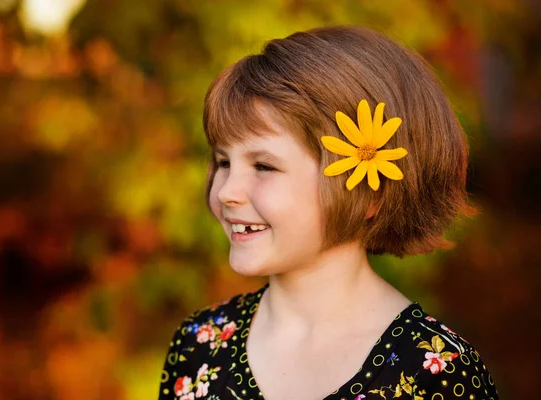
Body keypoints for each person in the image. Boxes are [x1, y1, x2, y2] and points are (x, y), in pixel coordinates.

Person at [158, 25, 499, 400]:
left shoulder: (437, 371)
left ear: (371, 190)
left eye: (264, 166)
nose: (226, 191)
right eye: (223, 162)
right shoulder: (200, 347)